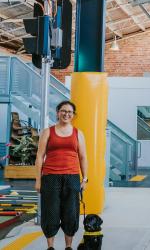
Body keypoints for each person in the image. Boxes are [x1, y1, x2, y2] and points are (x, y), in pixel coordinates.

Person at [35, 100, 88, 250]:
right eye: (63, 111)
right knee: (50, 211)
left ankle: (68, 246)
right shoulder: (48, 132)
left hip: (72, 177)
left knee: (70, 212)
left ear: (73, 115)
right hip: (50, 177)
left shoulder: (78, 133)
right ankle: (50, 246)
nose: (66, 114)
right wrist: (38, 180)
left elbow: (83, 157)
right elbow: (40, 156)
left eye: (69, 112)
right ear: (58, 113)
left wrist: (85, 179)